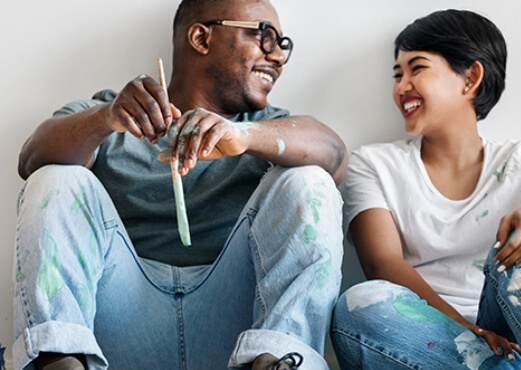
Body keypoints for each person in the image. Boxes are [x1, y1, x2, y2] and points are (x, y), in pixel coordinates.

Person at [13, 0, 347, 369]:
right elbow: (31, 160)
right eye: (265, 36)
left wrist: (244, 135)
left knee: (309, 178)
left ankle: (281, 360)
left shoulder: (270, 129)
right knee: (55, 176)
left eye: (283, 45)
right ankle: (60, 359)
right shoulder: (111, 115)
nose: (278, 57)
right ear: (202, 37)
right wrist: (106, 119)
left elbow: (333, 154)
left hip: (236, 335)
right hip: (123, 324)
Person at [330, 9, 521, 369]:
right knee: (359, 306)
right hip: (431, 337)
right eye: (397, 74)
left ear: (470, 78)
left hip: (515, 329)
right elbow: (382, 262)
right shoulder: (373, 164)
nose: (401, 86)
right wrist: (467, 329)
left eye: (417, 68)